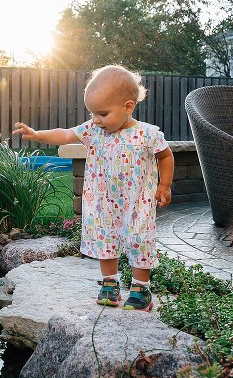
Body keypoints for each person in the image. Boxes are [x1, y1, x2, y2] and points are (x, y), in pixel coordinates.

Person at [12, 65, 174, 311]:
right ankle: (110, 284)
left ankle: (141, 288)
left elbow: (165, 156)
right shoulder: (93, 130)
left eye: (103, 113)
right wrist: (37, 134)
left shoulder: (147, 134)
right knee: (104, 239)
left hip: (137, 202)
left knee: (139, 240)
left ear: (128, 107)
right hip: (102, 201)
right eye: (92, 114)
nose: (96, 119)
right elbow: (65, 134)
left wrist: (164, 185)